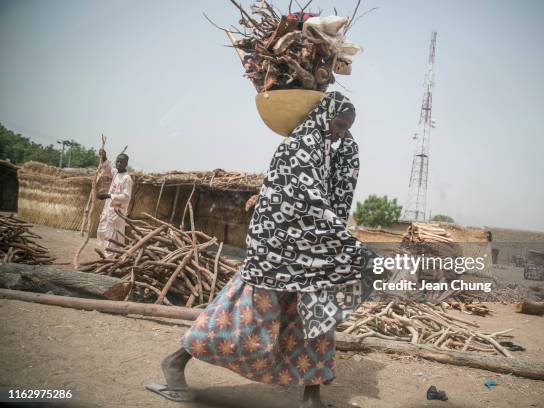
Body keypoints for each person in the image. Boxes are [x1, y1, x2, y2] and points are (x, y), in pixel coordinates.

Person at [146, 92, 377, 407]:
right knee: (243, 315)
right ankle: (176, 361)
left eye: (345, 128)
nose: (339, 133)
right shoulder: (297, 146)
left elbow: (335, 192)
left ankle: (312, 396)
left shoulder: (323, 148)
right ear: (324, 115)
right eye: (338, 125)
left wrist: (347, 143)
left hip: (307, 249)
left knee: (315, 314)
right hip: (276, 251)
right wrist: (339, 237)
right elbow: (304, 201)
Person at [96, 149, 133, 258]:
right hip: (108, 211)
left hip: (117, 213)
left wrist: (108, 196)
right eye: (117, 161)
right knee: (105, 234)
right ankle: (109, 258)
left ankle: (109, 261)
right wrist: (104, 156)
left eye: (121, 162)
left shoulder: (127, 179)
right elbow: (107, 169)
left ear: (126, 163)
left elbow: (126, 197)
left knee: (113, 238)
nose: (118, 164)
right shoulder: (116, 173)